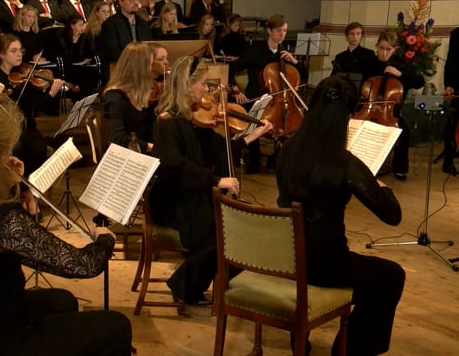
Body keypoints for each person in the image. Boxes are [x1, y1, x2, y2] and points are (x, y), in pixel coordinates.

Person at [0, 94, 132, 356]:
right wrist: (105, 239)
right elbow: (83, 265)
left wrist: (18, 186)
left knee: (62, 300)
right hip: (3, 342)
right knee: (116, 326)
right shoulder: (1, 219)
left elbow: (9, 238)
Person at [276, 75, 405, 356]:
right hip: (324, 266)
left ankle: (301, 338)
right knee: (391, 276)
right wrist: (382, 186)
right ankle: (351, 350)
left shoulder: (288, 150)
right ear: (345, 118)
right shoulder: (345, 163)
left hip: (286, 257)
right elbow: (392, 215)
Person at [150, 55, 271, 305]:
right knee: (225, 229)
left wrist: (253, 135)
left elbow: (218, 147)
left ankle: (224, 285)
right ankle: (186, 283)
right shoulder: (167, 122)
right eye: (203, 84)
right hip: (172, 201)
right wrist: (217, 181)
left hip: (192, 195)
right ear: (186, 85)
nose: (207, 90)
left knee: (241, 219)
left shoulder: (192, 119)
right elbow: (175, 166)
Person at [231, 13, 308, 174]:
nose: (282, 35)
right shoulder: (255, 50)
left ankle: (277, 156)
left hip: (278, 99)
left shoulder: (284, 55)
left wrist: (294, 62)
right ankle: (255, 159)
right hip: (256, 96)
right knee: (255, 119)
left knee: (290, 121)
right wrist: (235, 89)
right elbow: (233, 68)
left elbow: (303, 75)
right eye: (279, 30)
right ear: (269, 31)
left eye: (285, 31)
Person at [0, 33, 63, 177]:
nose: (19, 54)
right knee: (17, 149)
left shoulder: (25, 73)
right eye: (14, 51)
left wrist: (51, 93)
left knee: (38, 149)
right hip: (5, 128)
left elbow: (37, 105)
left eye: (20, 50)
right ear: (1, 54)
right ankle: (17, 188)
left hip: (26, 126)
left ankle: (32, 189)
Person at [362, 29, 425, 180]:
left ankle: (399, 168)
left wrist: (400, 74)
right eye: (381, 48)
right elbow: (363, 87)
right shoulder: (370, 64)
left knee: (404, 132)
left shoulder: (400, 65)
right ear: (377, 47)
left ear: (394, 49)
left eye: (388, 49)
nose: (383, 53)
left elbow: (419, 81)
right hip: (369, 109)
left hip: (389, 113)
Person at [102, 42, 155, 153]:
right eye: (149, 65)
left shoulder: (136, 93)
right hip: (129, 158)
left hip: (140, 152)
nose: (151, 70)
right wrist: (151, 147)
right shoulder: (115, 97)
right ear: (139, 69)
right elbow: (118, 138)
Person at [99, 0, 152, 80]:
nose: (135, 3)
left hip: (142, 73)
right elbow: (111, 53)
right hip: (120, 74)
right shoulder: (110, 24)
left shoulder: (143, 24)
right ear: (121, 2)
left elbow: (149, 47)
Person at [442, 27, 459, 175]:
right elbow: (451, 61)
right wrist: (448, 85)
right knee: (452, 123)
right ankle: (448, 161)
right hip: (458, 86)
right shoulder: (456, 34)